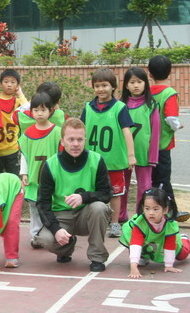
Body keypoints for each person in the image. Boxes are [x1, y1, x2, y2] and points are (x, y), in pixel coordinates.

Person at [36, 118, 112, 272]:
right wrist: (56, 229)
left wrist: (84, 197)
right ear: (62, 141)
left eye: (79, 139)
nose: (76, 144)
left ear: (85, 140)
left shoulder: (96, 160)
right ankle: (66, 247)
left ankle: (97, 257)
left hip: (87, 214)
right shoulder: (51, 165)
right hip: (61, 216)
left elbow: (106, 193)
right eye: (71, 139)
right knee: (45, 239)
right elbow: (43, 203)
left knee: (99, 207)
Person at [81, 68, 135, 238]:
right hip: (92, 161)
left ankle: (115, 223)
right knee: (92, 192)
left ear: (113, 87)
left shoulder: (120, 108)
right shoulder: (88, 107)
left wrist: (131, 155)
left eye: (104, 85)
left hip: (114, 161)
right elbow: (81, 130)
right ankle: (93, 221)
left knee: (116, 193)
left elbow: (127, 131)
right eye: (97, 86)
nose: (100, 89)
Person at [148, 55, 190, 222]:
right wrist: (178, 126)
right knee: (163, 180)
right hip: (163, 143)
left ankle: (160, 210)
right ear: (170, 72)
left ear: (150, 74)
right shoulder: (169, 93)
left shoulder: (147, 92)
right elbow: (171, 118)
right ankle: (169, 213)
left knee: (152, 179)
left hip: (148, 143)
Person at [19, 92, 61, 249]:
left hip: (52, 180)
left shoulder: (58, 132)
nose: (39, 113)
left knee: (53, 205)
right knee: (34, 207)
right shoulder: (28, 134)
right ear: (31, 112)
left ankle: (53, 232)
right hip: (34, 179)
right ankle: (35, 235)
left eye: (43, 110)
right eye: (36, 110)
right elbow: (24, 155)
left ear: (50, 111)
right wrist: (24, 173)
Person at [120, 188, 190, 278]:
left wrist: (169, 265)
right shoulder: (139, 223)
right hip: (148, 241)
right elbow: (135, 243)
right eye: (147, 208)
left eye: (155, 209)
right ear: (143, 208)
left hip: (162, 240)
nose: (151, 213)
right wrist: (133, 267)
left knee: (182, 255)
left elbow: (169, 245)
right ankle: (143, 256)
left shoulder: (170, 224)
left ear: (165, 210)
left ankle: (184, 238)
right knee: (137, 248)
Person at [120, 67, 160, 222]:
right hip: (124, 154)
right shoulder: (120, 105)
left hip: (144, 153)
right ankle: (121, 215)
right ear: (126, 85)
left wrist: (152, 157)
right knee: (122, 187)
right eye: (132, 82)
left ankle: (141, 217)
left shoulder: (151, 105)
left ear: (145, 83)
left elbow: (155, 133)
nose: (136, 85)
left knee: (145, 187)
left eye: (139, 82)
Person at [0, 69, 26, 177]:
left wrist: (20, 94)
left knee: (14, 179)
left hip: (12, 149)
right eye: (6, 82)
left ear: (17, 85)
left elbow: (28, 111)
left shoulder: (18, 101)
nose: (9, 85)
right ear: (0, 83)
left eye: (13, 82)